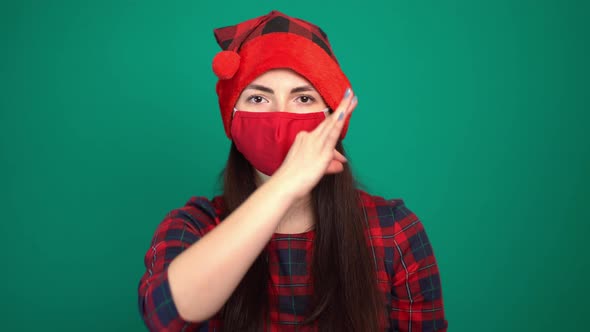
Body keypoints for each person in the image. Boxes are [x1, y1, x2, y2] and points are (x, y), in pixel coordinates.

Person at [138, 10, 448, 332]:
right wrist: (285, 185)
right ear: (232, 118)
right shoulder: (196, 226)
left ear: (333, 118)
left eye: (302, 98)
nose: (280, 116)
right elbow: (168, 314)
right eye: (258, 97)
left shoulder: (395, 231)